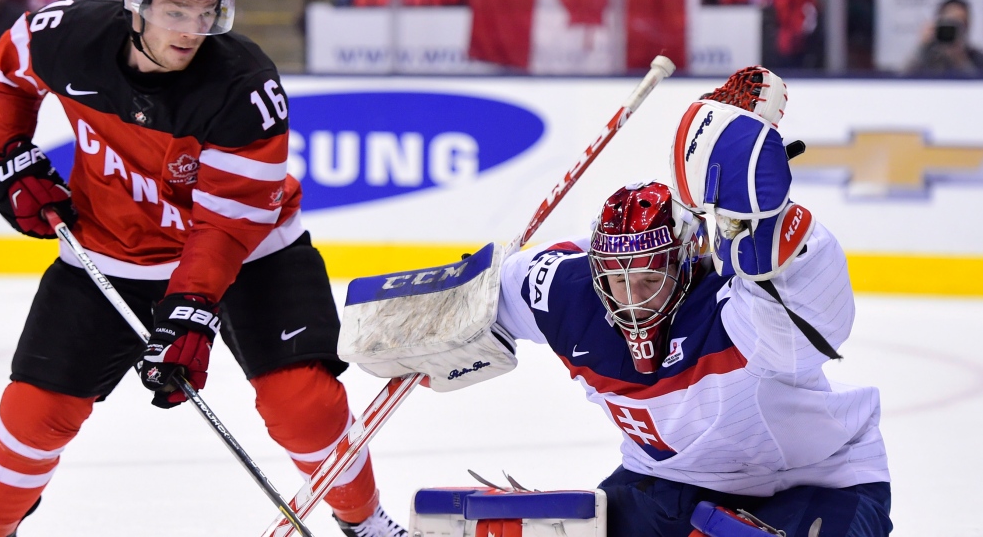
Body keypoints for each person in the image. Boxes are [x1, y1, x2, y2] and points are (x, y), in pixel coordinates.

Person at [0, 0, 408, 536]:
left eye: (205, 10)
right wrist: (6, 152)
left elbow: (226, 226)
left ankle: (366, 523)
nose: (193, 29)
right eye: (175, 9)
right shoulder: (69, 36)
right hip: (113, 251)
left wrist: (191, 309)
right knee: (33, 413)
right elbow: (11, 68)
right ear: (134, 0)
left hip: (251, 256)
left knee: (302, 404)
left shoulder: (244, 87)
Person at [347, 67, 893, 537]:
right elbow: (477, 294)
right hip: (668, 481)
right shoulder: (562, 291)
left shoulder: (737, 306)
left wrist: (759, 226)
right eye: (615, 278)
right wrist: (418, 324)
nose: (631, 297)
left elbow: (808, 322)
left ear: (684, 259)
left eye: (648, 275)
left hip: (815, 479)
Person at [905, 0, 983, 76]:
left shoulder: (976, 58)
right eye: (950, 22)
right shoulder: (926, 55)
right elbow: (904, 79)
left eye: (960, 24)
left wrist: (960, 59)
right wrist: (922, 46)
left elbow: (977, 83)